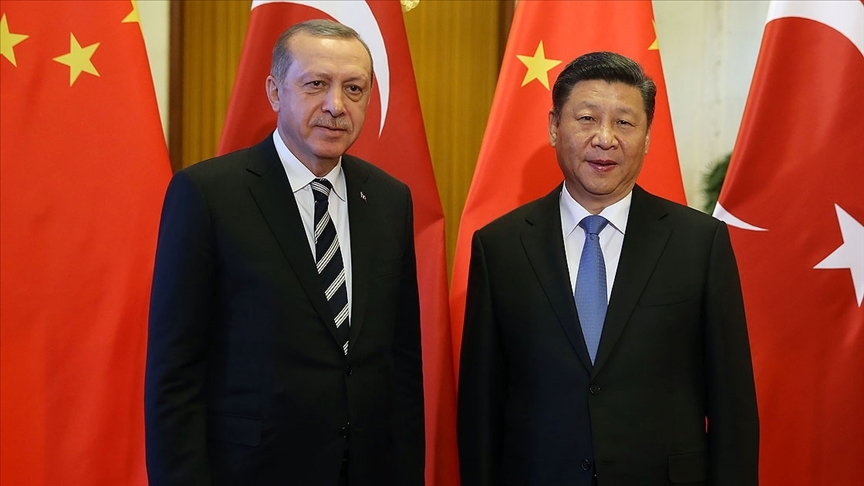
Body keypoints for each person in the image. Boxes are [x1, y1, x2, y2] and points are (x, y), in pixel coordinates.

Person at [457, 51, 758, 486]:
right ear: (554, 126)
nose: (605, 138)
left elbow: (733, 407)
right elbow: (480, 409)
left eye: (624, 122)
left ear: (647, 136)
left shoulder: (699, 243)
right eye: (587, 118)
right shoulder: (500, 246)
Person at [144, 20, 424, 486]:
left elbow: (402, 365)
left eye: (353, 88)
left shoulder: (390, 200)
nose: (336, 105)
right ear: (275, 92)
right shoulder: (208, 195)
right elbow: (175, 374)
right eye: (316, 84)